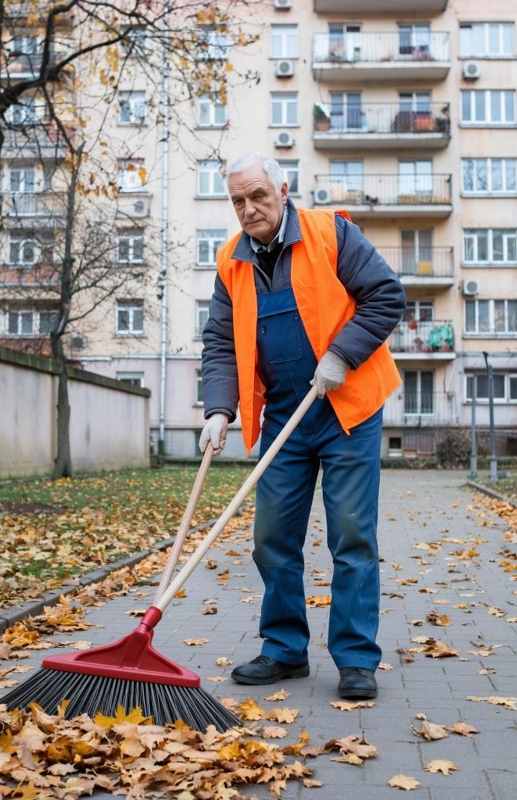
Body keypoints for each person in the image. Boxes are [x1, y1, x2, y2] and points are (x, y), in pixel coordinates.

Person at [199, 154, 405, 699]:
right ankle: (285, 650)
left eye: (258, 196)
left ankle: (356, 659)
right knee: (271, 536)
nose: (249, 208)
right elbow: (220, 342)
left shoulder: (331, 234)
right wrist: (219, 409)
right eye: (238, 200)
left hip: (347, 408)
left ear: (282, 190)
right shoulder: (230, 262)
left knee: (352, 535)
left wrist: (342, 354)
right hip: (284, 413)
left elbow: (386, 295)